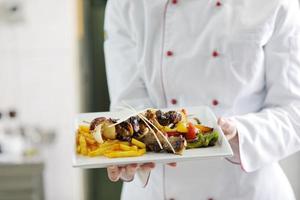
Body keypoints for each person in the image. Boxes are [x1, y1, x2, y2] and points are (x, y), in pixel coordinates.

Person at [103, 0, 300, 199]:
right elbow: (128, 104)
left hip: (245, 187)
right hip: (155, 187)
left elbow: (294, 110)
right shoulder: (126, 4)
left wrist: (241, 133)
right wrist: (129, 152)